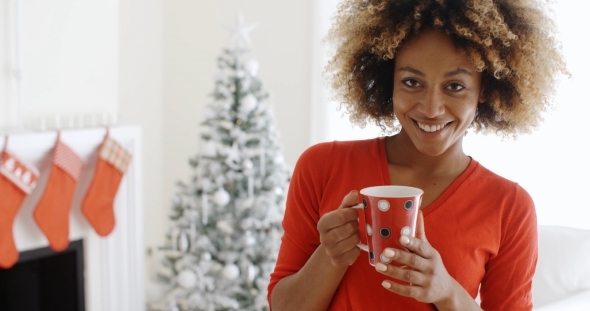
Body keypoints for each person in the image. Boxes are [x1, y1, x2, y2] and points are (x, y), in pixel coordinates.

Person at [268, 0, 567, 310]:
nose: (431, 108)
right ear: (389, 80)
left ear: (485, 89)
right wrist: (329, 257)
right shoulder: (322, 166)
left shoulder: (509, 207)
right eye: (412, 82)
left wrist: (447, 292)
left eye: (454, 86)